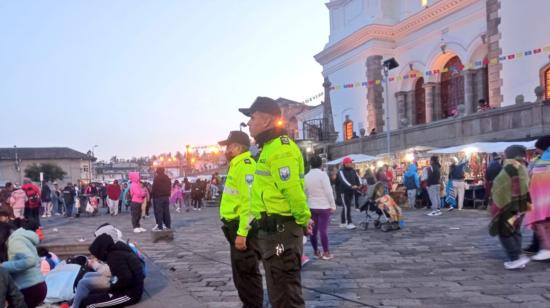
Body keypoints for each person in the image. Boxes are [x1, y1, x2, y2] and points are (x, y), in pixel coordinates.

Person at [240, 96, 312, 308]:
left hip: (282, 233)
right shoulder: (269, 148)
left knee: (285, 295)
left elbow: (293, 191)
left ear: (268, 120)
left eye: (252, 118)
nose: (249, 124)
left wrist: (304, 219)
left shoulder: (280, 149)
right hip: (273, 233)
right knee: (278, 290)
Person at [218, 130, 263, 308]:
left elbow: (250, 202)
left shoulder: (245, 165)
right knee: (241, 275)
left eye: (228, 147)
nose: (225, 151)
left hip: (243, 229)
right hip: (235, 228)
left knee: (247, 274)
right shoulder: (237, 165)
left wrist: (242, 232)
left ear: (237, 147)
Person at [489, 145, 531, 270]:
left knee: (505, 231)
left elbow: (501, 184)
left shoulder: (511, 166)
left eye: (505, 153)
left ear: (510, 154)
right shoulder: (522, 166)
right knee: (515, 230)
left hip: (510, 205)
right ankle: (518, 257)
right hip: (521, 203)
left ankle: (516, 258)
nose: (504, 155)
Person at [81, 233, 144, 307]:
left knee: (88, 304)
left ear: (101, 250)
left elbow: (126, 278)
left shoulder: (114, 257)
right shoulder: (118, 250)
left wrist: (112, 290)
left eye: (97, 254)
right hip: (130, 289)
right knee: (92, 293)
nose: (98, 257)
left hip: (130, 294)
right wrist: (111, 286)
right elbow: (119, 275)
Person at [2, 219, 47, 307]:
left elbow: (30, 260)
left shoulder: (15, 241)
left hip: (29, 286)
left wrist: (4, 266)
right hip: (36, 284)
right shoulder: (20, 238)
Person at [523, 136, 550, 261]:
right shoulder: (538, 160)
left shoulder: (538, 161)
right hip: (541, 197)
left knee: (541, 223)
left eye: (537, 148)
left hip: (541, 199)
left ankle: (546, 249)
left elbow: (528, 177)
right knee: (544, 223)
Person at [305, 155, 336, 260]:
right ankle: (326, 252)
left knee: (313, 230)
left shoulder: (306, 176)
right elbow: (328, 191)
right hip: (323, 206)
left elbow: (305, 193)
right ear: (321, 164)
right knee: (323, 230)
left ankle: (316, 252)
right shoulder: (323, 175)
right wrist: (333, 205)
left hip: (311, 206)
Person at [337, 157, 361, 230]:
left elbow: (357, 177)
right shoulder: (341, 171)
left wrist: (360, 184)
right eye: (350, 162)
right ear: (346, 163)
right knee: (347, 207)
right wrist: (351, 186)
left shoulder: (353, 170)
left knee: (346, 206)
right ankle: (348, 223)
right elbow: (343, 180)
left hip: (351, 191)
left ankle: (343, 222)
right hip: (344, 191)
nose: (351, 163)